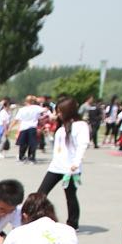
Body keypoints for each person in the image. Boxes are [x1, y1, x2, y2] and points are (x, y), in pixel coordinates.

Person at [35, 96, 88, 229]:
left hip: (70, 169)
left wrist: (76, 162)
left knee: (70, 195)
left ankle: (72, 223)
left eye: (60, 111)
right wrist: (48, 134)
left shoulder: (80, 125)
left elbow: (83, 145)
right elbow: (59, 146)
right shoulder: (62, 127)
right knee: (41, 193)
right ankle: (37, 218)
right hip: (56, 166)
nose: (57, 114)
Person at [14, 96, 45, 164]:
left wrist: (10, 127)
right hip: (32, 127)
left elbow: (16, 119)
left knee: (23, 144)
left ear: (26, 102)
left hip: (23, 128)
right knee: (32, 143)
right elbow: (45, 110)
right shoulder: (37, 108)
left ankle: (21, 157)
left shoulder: (22, 109)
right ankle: (31, 157)